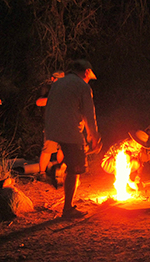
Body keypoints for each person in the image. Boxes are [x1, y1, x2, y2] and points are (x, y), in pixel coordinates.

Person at [45, 59, 101, 218]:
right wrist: (94, 136)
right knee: (75, 169)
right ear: (86, 72)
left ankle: (57, 167)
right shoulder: (83, 86)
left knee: (70, 162)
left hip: (53, 128)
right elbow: (89, 114)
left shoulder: (59, 83)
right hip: (70, 132)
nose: (89, 79)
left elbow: (50, 105)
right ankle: (68, 209)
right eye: (89, 76)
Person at [35, 71, 65, 183]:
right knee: (48, 149)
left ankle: (60, 171)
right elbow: (38, 102)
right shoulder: (47, 89)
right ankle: (41, 173)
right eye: (58, 79)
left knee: (62, 149)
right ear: (53, 78)